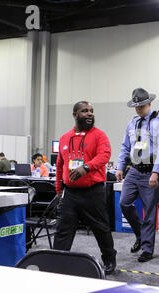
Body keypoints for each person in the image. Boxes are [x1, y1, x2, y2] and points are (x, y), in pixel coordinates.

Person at [53, 100, 117, 275]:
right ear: (75, 115)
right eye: (84, 111)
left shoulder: (99, 135)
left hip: (93, 192)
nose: (90, 113)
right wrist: (59, 189)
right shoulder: (65, 138)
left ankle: (109, 258)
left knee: (101, 228)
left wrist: (86, 167)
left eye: (91, 111)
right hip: (70, 193)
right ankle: (56, 261)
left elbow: (104, 155)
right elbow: (60, 165)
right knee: (63, 230)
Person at [115, 88, 159, 263]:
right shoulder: (132, 123)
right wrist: (120, 167)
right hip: (134, 170)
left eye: (141, 105)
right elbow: (125, 147)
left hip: (150, 172)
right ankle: (140, 234)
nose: (138, 108)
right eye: (136, 106)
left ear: (149, 104)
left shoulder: (158, 123)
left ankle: (147, 248)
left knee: (150, 213)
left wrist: (156, 172)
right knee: (124, 202)